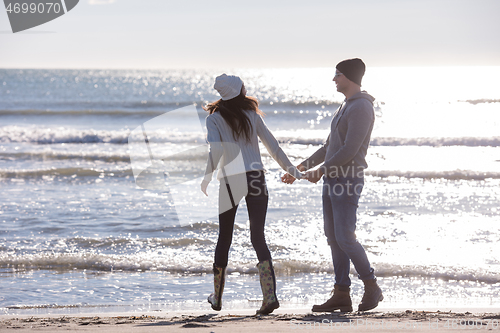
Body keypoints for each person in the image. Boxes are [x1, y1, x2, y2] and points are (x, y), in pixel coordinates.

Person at [282, 58, 383, 312]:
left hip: (347, 180)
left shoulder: (361, 107)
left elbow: (350, 149)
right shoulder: (345, 106)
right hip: (332, 180)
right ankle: (341, 293)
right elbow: (329, 147)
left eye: (337, 74)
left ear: (348, 76)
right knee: (333, 238)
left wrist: (322, 169)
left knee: (346, 238)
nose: (334, 79)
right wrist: (301, 168)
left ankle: (372, 287)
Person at [201, 74, 304, 315]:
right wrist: (293, 171)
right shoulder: (252, 116)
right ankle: (270, 297)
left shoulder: (214, 119)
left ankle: (217, 298)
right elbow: (273, 146)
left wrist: (206, 178)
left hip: (230, 180)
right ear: (238, 91)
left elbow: (215, 152)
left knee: (224, 236)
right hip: (256, 178)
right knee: (258, 236)